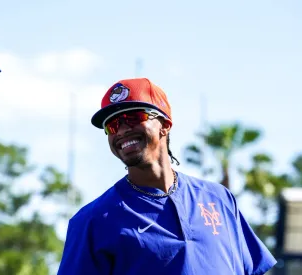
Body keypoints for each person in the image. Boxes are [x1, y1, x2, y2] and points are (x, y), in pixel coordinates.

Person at [57, 78, 277, 275]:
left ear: (165, 125)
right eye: (112, 125)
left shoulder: (219, 199)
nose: (122, 130)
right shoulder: (92, 221)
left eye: (133, 117)